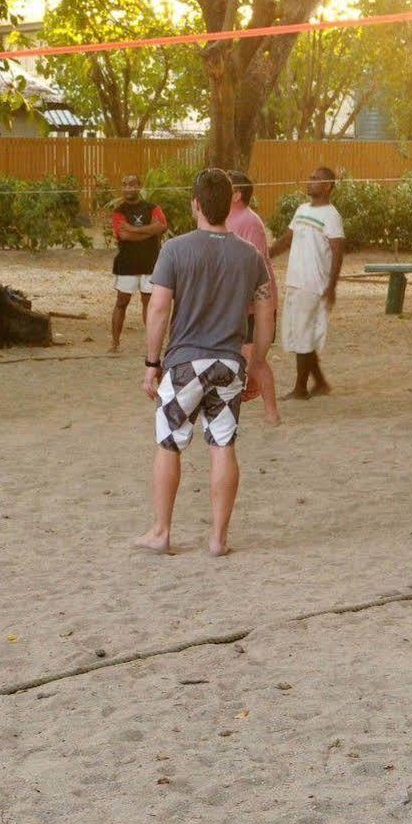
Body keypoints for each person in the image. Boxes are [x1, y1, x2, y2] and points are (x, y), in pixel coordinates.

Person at [133, 168, 274, 558]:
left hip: (184, 363)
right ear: (231, 203)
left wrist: (151, 362)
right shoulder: (250, 256)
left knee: (170, 442)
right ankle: (218, 539)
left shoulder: (175, 250)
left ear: (195, 203)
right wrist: (258, 361)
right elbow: (265, 313)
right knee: (223, 443)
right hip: (228, 364)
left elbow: (159, 308)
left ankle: (161, 532)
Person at [270, 167, 344, 400]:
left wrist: (331, 287)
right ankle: (320, 383)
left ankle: (301, 388)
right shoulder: (302, 210)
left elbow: (337, 252)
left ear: (328, 186)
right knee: (301, 334)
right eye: (310, 178)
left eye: (316, 179)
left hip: (313, 284)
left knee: (302, 335)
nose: (310, 182)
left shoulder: (332, 215)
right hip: (295, 280)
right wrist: (267, 253)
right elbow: (288, 239)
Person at [225, 171, 281, 426]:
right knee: (239, 357)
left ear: (237, 194)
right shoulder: (224, 219)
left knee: (255, 359)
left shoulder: (249, 221)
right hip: (236, 302)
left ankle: (272, 412)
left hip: (256, 303)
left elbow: (255, 266)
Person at [109, 175, 169, 353]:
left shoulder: (153, 208)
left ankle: (152, 342)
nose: (128, 188)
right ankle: (114, 343)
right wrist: (150, 231)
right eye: (124, 184)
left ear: (139, 187)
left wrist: (134, 229)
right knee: (122, 302)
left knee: (149, 302)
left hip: (151, 262)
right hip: (127, 264)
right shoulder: (118, 211)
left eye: (132, 184)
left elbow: (162, 226)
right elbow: (124, 235)